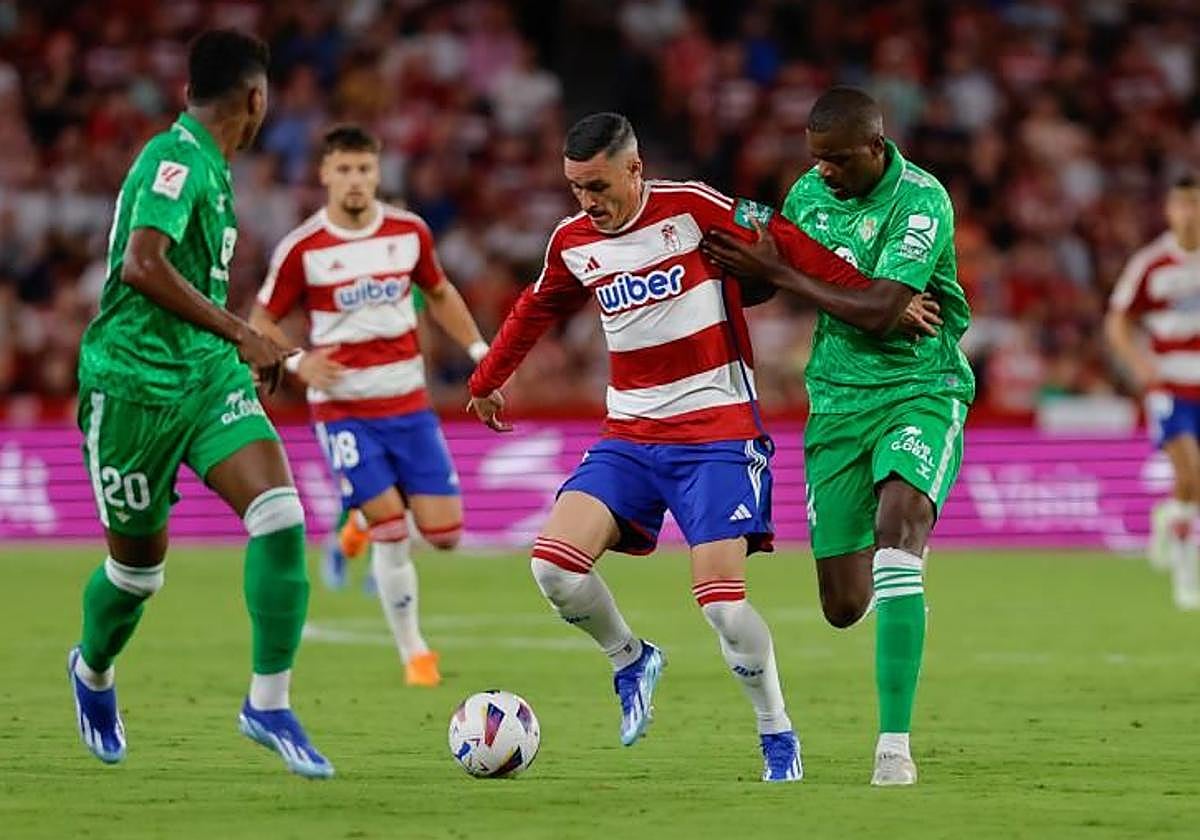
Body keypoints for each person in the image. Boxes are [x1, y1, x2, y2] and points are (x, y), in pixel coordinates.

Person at [465, 112, 932, 782]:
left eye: (597, 186)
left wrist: (879, 299)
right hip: (628, 436)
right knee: (554, 570)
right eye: (575, 189)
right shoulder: (572, 242)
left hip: (717, 436)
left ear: (634, 167)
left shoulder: (693, 208)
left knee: (719, 603)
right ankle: (630, 657)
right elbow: (533, 307)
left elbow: (789, 242)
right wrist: (486, 382)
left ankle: (776, 731)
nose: (586, 202)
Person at [69, 30, 332, 778]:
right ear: (257, 98)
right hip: (131, 387)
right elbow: (141, 265)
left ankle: (268, 702)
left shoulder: (210, 168)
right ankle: (91, 672)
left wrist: (232, 346)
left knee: (280, 516)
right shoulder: (176, 159)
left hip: (206, 377)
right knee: (136, 574)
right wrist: (244, 331)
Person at [703, 86, 975, 786]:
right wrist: (735, 263)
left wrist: (782, 272)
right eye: (816, 159)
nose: (823, 171)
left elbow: (884, 308)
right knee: (843, 605)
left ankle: (894, 746)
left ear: (875, 147)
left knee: (899, 531)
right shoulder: (808, 194)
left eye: (838, 160)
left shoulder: (921, 199)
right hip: (836, 404)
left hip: (921, 387)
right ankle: (898, 598)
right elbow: (770, 280)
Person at [251, 124, 490, 687]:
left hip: (408, 406)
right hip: (344, 409)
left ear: (377, 174)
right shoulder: (303, 249)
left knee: (446, 534)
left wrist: (480, 351)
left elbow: (439, 293)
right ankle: (415, 654)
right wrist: (294, 362)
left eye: (364, 169)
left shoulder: (409, 234)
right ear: (325, 174)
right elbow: (261, 321)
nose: (355, 180)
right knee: (392, 528)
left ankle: (356, 516)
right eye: (344, 169)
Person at [1106, 174, 1200, 610]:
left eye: (1196, 204)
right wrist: (1139, 364)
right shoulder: (1151, 263)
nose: (1189, 214)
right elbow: (1118, 319)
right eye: (1182, 205)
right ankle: (1186, 580)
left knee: (1192, 488)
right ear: (1169, 210)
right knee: (1189, 476)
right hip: (1169, 385)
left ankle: (1168, 517)